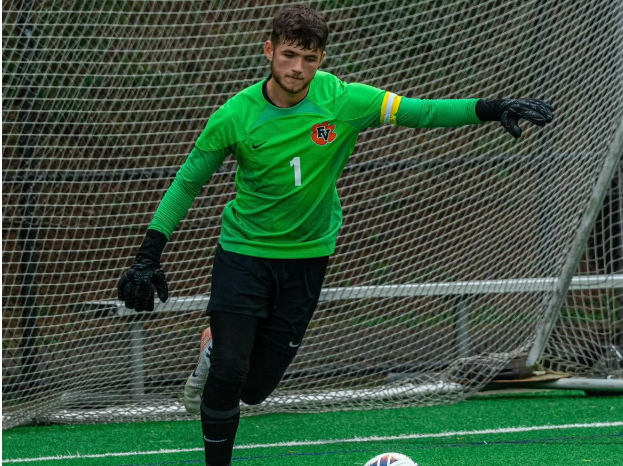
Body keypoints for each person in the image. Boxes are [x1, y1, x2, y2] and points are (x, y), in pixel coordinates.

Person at [117, 4, 554, 466]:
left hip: (307, 259)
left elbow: (421, 112)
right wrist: (149, 253)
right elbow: (188, 180)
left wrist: (492, 108)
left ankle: (212, 347)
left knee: (255, 390)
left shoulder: (344, 101)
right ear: (269, 51)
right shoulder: (234, 116)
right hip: (242, 254)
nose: (297, 68)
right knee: (230, 370)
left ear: (321, 58)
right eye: (288, 55)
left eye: (309, 58)